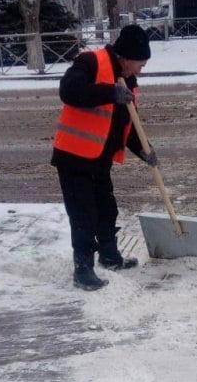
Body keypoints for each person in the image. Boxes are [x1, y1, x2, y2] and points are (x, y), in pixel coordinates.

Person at [52, 24, 158, 290]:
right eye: (139, 63)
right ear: (125, 57)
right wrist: (109, 92)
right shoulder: (91, 62)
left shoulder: (129, 82)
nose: (140, 70)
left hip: (99, 160)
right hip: (74, 157)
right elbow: (69, 91)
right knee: (83, 214)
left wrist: (145, 150)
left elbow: (127, 124)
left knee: (106, 209)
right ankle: (83, 269)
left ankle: (110, 256)